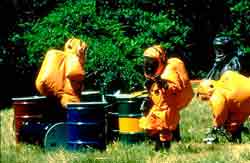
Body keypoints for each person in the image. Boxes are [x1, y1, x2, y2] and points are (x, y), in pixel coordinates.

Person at [139, 45, 193, 151]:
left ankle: (165, 148)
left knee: (165, 127)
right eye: (147, 62)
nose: (149, 65)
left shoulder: (169, 72)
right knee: (151, 124)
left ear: (160, 60)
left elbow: (174, 88)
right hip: (158, 105)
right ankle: (159, 145)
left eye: (151, 62)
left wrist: (164, 84)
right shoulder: (155, 73)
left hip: (167, 106)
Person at [197, 71, 250, 144]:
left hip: (244, 102)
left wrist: (216, 125)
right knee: (233, 123)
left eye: (206, 98)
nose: (208, 100)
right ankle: (236, 136)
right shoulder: (226, 77)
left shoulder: (217, 93)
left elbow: (220, 112)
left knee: (228, 124)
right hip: (244, 102)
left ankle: (212, 139)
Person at [36, 38, 88, 108]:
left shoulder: (63, 57)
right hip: (70, 99)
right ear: (80, 50)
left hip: (55, 96)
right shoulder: (74, 60)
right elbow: (76, 74)